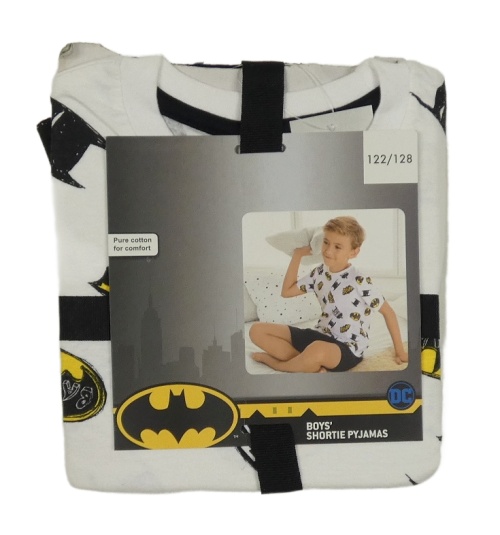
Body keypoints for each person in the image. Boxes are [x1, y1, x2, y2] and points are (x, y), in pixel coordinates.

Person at [250, 216, 408, 373]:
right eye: (326, 242)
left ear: (354, 252)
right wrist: (297, 255)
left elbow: (389, 313)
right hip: (319, 335)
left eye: (337, 247)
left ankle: (278, 364)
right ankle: (307, 363)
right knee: (256, 330)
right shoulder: (319, 272)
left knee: (316, 349)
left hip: (346, 349)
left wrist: (400, 351)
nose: (328, 250)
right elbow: (287, 291)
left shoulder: (359, 280)